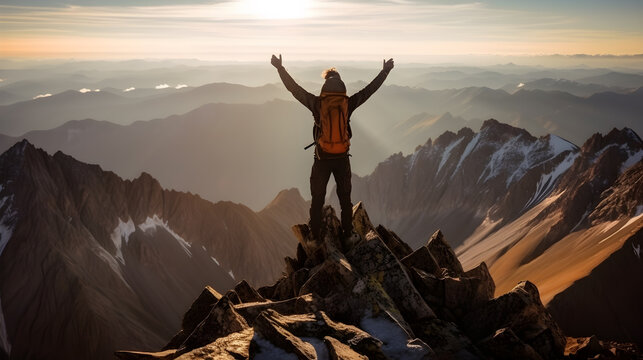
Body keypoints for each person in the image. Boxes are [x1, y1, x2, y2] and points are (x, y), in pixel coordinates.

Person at [271, 54, 394, 241]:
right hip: (342, 158)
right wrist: (385, 71)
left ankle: (316, 235)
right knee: (345, 200)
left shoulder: (318, 104)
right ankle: (347, 233)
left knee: (317, 198)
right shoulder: (347, 103)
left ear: (325, 85)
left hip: (322, 158)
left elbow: (294, 89)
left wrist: (280, 68)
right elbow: (369, 90)